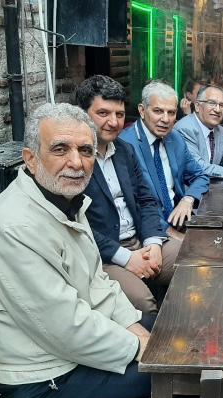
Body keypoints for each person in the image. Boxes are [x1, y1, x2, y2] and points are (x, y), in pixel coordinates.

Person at [0, 103, 153, 398]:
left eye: (86, 151)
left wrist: (133, 326)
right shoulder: (14, 226)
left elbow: (97, 280)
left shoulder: (65, 199)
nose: (77, 162)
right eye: (60, 149)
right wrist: (138, 346)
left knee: (169, 331)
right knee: (179, 376)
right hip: (39, 378)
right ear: (30, 159)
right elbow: (63, 328)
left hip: (66, 347)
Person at [77, 75, 181, 315]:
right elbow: (77, 224)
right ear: (83, 115)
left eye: (120, 114)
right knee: (143, 304)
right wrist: (126, 258)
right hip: (105, 255)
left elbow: (146, 200)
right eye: (103, 113)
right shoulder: (76, 160)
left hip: (140, 240)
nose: (113, 122)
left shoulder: (125, 150)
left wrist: (153, 242)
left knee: (194, 262)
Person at [119, 81, 210, 232]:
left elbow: (200, 176)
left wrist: (187, 200)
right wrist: (170, 233)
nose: (166, 119)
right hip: (149, 229)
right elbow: (134, 205)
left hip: (179, 220)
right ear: (142, 110)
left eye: (171, 113)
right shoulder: (125, 144)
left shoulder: (175, 138)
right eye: (158, 111)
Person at [174, 85, 223, 179]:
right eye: (212, 103)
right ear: (197, 106)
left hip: (211, 185)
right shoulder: (185, 129)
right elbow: (196, 165)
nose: (217, 110)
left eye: (222, 105)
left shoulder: (220, 130)